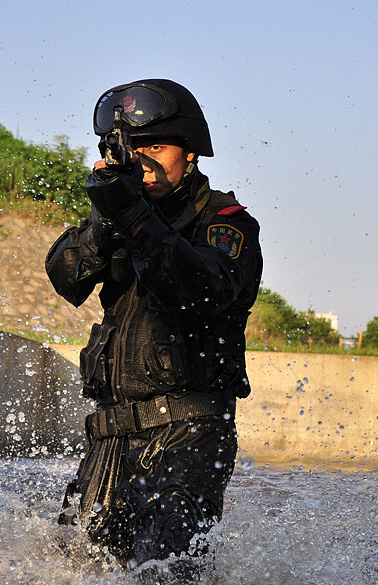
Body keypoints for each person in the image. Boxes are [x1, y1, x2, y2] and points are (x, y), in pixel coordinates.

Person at [46, 79, 262, 569]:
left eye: (156, 147)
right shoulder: (118, 215)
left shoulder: (224, 222)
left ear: (190, 153)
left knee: (165, 567)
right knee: (78, 565)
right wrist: (109, 216)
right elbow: (65, 274)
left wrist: (136, 217)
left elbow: (201, 287)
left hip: (189, 432)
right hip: (111, 438)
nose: (143, 159)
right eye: (132, 148)